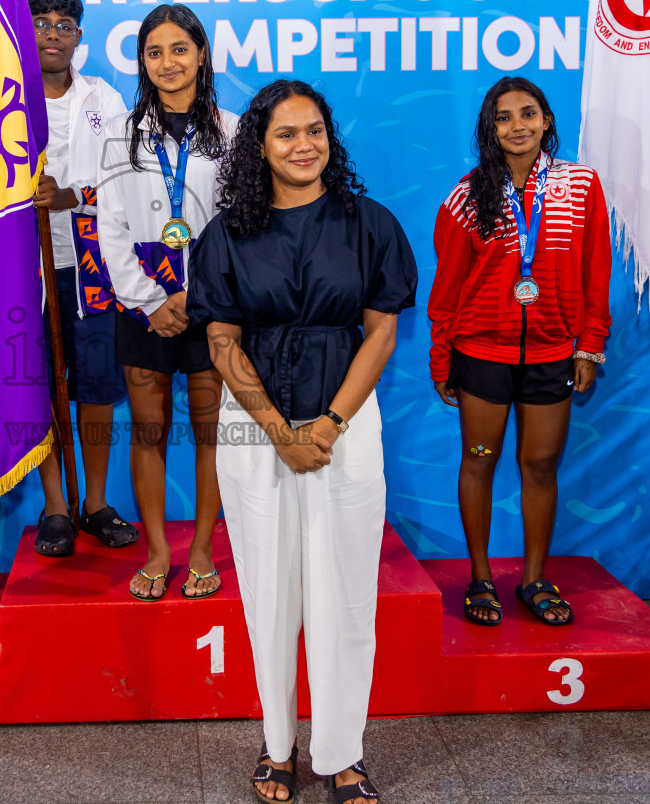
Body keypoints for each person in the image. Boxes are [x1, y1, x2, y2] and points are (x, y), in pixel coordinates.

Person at [189, 79, 416, 804]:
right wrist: (282, 433)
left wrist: (328, 425)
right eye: (286, 134)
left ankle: (343, 751)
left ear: (330, 137)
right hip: (254, 429)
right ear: (259, 145)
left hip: (345, 424)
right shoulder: (226, 234)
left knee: (345, 590)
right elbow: (221, 340)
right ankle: (278, 743)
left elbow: (381, 331)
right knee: (270, 591)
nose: (303, 145)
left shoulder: (369, 223)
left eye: (314, 130)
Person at [428, 76, 611, 627]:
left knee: (538, 465)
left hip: (554, 352)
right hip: (481, 353)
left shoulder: (581, 186)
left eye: (528, 114)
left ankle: (534, 578)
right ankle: (480, 576)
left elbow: (595, 271)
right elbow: (448, 287)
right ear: (490, 129)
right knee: (479, 462)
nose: (517, 126)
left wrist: (591, 347)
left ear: (548, 120)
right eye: (503, 118)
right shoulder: (466, 197)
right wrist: (442, 358)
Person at [96, 3, 237, 602]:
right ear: (142, 63)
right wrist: (150, 300)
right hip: (143, 306)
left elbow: (242, 226)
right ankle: (157, 550)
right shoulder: (119, 135)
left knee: (211, 432)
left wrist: (198, 296)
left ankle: (202, 548)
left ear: (202, 55)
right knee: (149, 431)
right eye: (154, 52)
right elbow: (109, 227)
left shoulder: (235, 133)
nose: (168, 62)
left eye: (180, 49)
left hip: (211, 301)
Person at [24, 0, 138, 557]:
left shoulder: (104, 99)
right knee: (42, 387)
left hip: (94, 266)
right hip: (29, 270)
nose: (52, 33)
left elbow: (124, 177)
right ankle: (55, 507)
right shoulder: (2, 104)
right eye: (40, 22)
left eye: (64, 24)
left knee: (95, 387)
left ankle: (93, 501)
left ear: (79, 36)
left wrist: (72, 195)